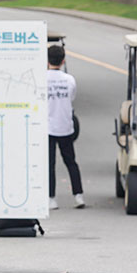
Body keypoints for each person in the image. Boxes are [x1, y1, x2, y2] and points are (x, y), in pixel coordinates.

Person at [46, 44, 84, 209]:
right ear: (63, 61)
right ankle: (78, 195)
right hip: (66, 126)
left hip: (47, 127)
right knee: (71, 162)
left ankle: (51, 198)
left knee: (50, 164)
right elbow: (72, 98)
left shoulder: (40, 79)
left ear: (47, 60)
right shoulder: (69, 80)